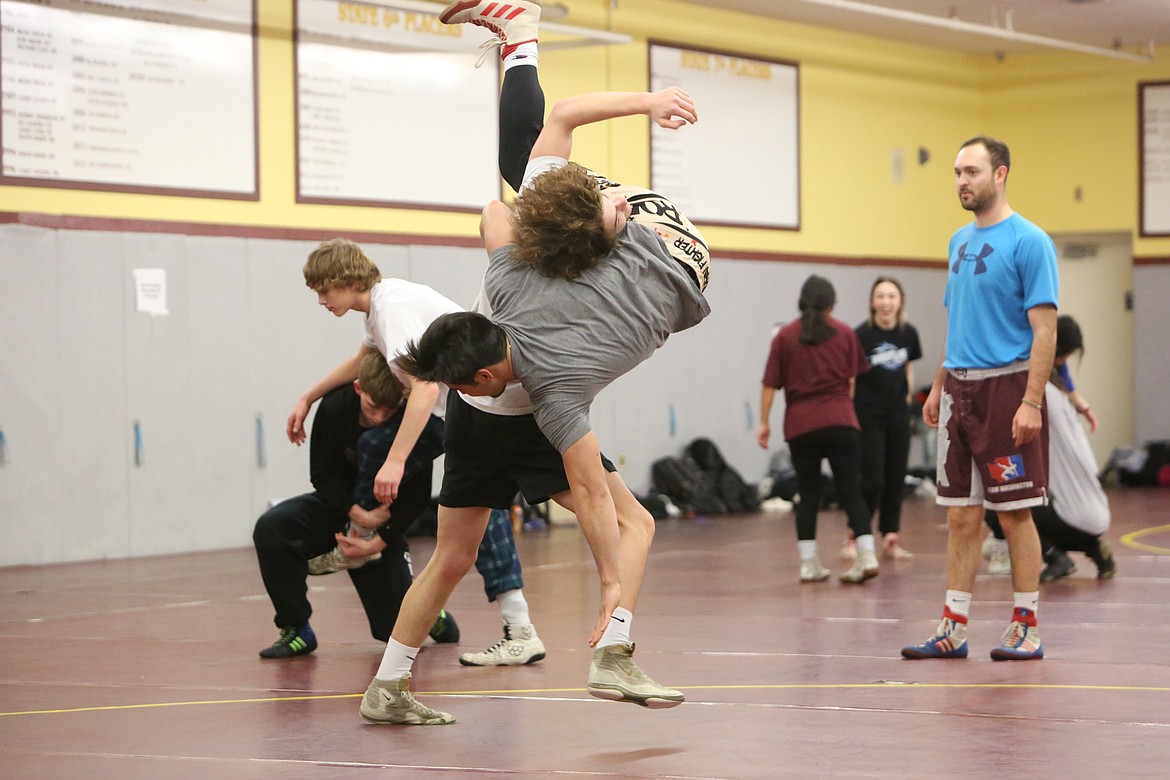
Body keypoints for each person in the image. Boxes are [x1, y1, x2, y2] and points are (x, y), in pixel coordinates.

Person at [356, 0, 706, 726]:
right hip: (533, 399)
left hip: (480, 418)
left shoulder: (513, 277)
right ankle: (614, 651)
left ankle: (388, 684)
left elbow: (496, 208)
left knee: (452, 557)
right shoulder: (554, 358)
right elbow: (591, 490)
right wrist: (611, 582)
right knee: (633, 527)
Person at [286, 238, 547, 666]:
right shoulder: (379, 310)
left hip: (475, 408)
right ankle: (367, 537)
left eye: (324, 290)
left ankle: (517, 627)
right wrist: (308, 397)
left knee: (472, 505)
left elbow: (424, 388)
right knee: (467, 500)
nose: (320, 300)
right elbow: (362, 359)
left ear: (350, 281)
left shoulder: (391, 311)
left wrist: (397, 461)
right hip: (465, 408)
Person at [901, 135, 1058, 661]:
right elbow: (958, 319)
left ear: (1001, 174)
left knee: (1014, 514)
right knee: (961, 516)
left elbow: (1045, 330)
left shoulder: (1029, 241)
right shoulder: (957, 241)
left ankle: (1026, 625)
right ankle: (953, 626)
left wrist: (1032, 401)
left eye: (971, 171)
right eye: (957, 173)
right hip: (959, 391)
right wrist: (939, 386)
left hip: (1007, 388)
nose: (962, 182)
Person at [253, 352, 458, 657]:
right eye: (373, 407)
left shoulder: (409, 421)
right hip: (339, 507)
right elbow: (321, 475)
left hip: (384, 521)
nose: (379, 418)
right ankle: (296, 629)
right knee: (272, 527)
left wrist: (378, 542)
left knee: (395, 631)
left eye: (389, 411)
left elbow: (416, 498)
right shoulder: (336, 406)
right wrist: (355, 512)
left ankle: (430, 613)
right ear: (359, 388)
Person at [757, 274, 877, 584]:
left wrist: (764, 423)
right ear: (831, 305)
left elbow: (770, 385)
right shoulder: (846, 333)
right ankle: (866, 554)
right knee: (851, 491)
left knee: (808, 495)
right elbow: (852, 380)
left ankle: (809, 565)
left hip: (801, 426)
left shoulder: (784, 336)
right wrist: (843, 410)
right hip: (841, 420)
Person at [982, 315, 1116, 582]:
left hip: (1074, 516)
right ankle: (1094, 549)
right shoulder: (1061, 397)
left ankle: (1057, 557)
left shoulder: (1036, 400)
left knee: (999, 505)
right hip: (1099, 514)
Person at [845, 276, 923, 560]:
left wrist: (907, 399)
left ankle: (891, 535)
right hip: (868, 416)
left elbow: (908, 370)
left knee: (895, 478)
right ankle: (856, 533)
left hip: (897, 416)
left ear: (900, 301)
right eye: (881, 296)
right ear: (872, 302)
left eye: (891, 296)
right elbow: (851, 378)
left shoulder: (909, 334)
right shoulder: (861, 335)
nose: (886, 302)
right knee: (872, 479)